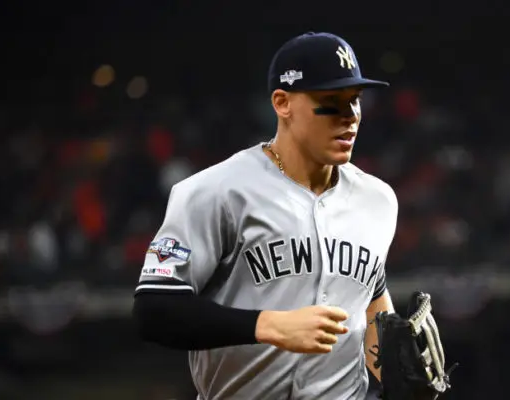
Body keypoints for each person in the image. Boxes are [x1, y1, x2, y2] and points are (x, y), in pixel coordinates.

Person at [132, 32, 398, 400]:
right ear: (282, 102)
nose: (349, 117)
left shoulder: (378, 200)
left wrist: (398, 374)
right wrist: (267, 325)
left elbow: (371, 298)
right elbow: (154, 310)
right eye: (330, 102)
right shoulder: (215, 192)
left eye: (355, 101)